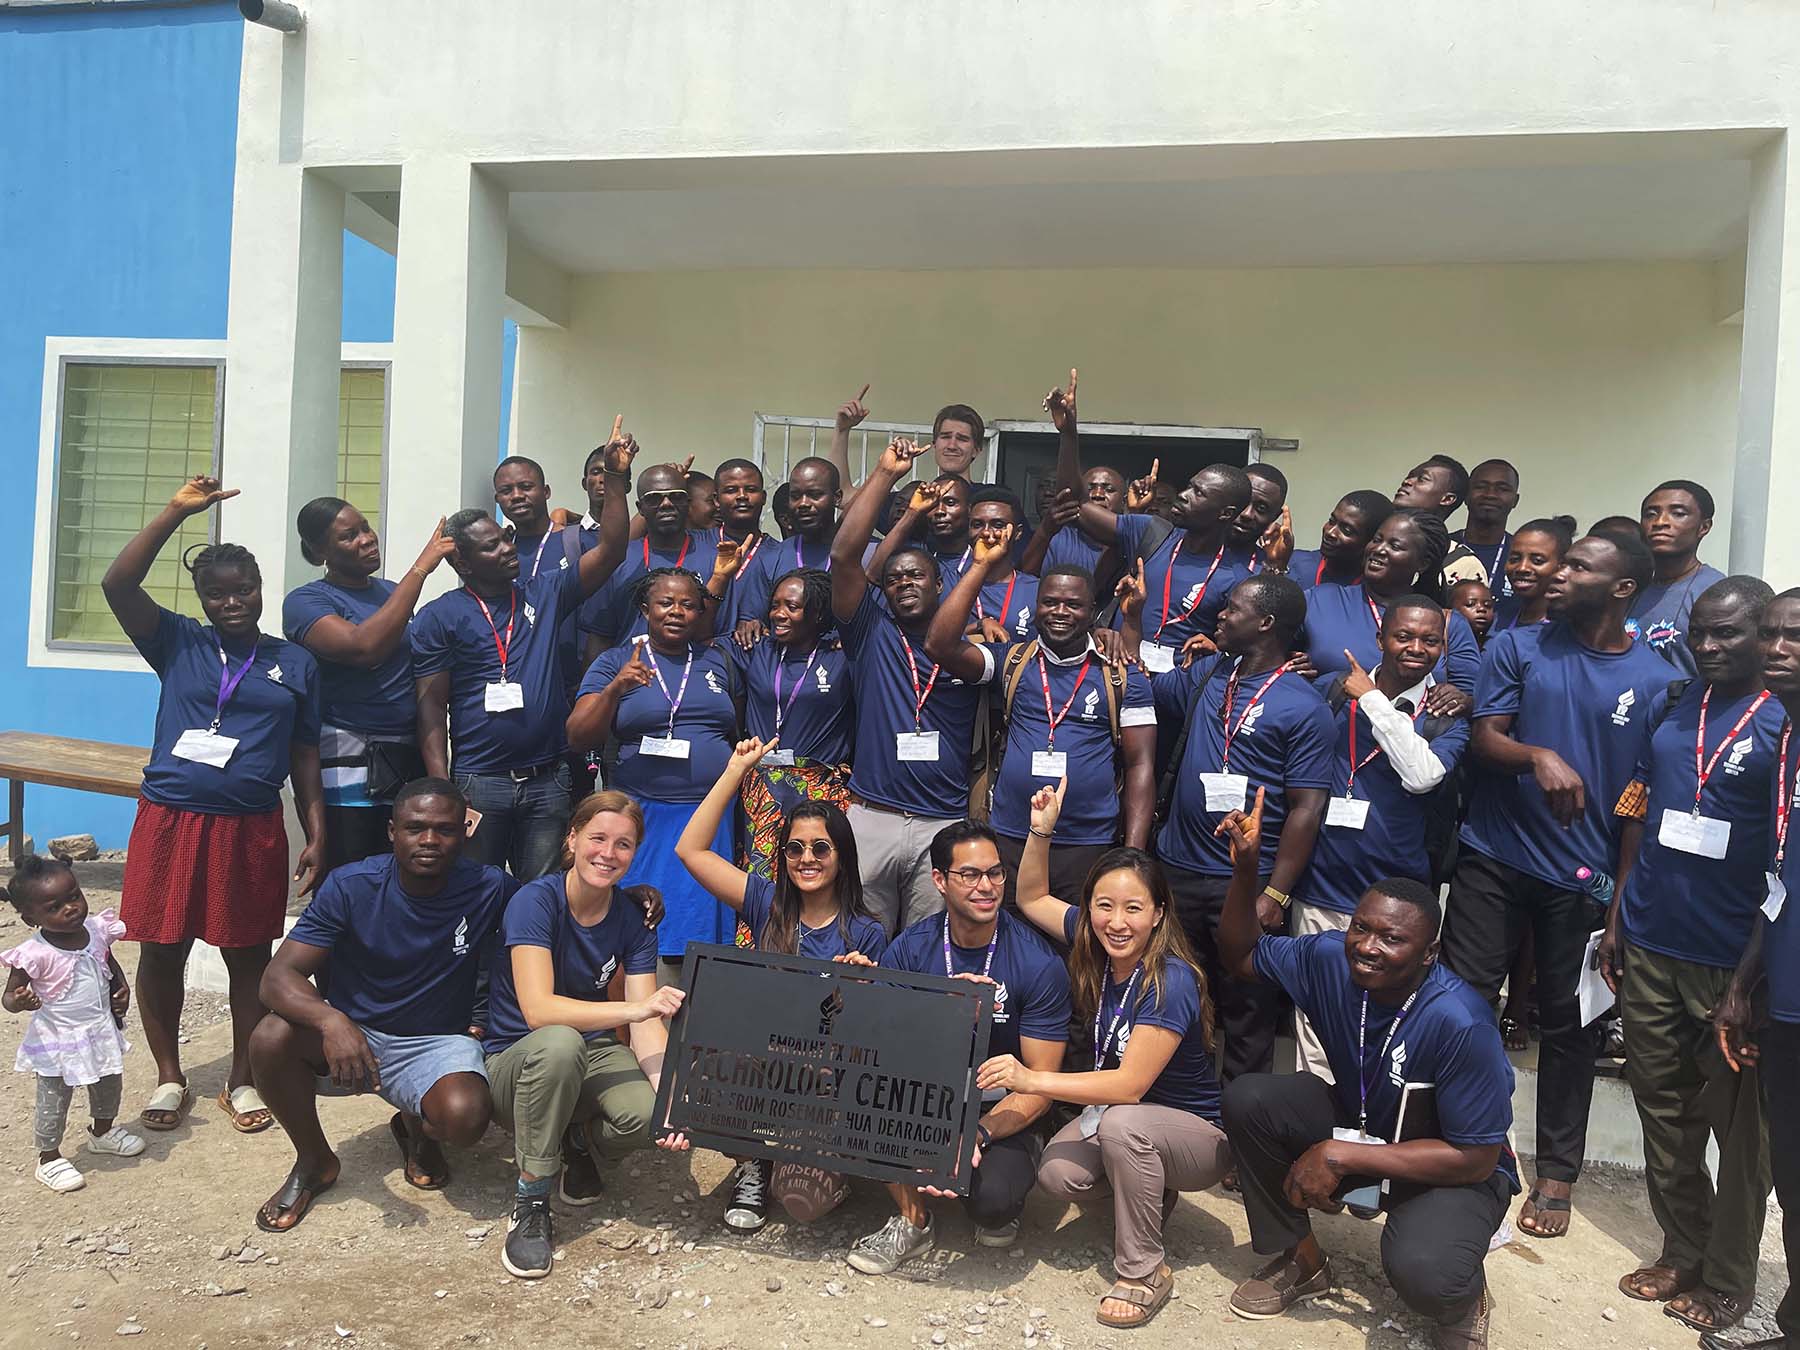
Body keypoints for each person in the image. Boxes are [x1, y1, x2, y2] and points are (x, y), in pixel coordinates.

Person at [1214, 789, 1516, 1349]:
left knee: (1423, 1270)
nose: (1368, 948)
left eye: (1392, 939)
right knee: (1250, 1099)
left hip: (1446, 1164)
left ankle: (1463, 1300)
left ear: (1430, 953)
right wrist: (1247, 873)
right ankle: (1301, 1261)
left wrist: (1339, 1154)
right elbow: (1242, 955)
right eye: (1361, 928)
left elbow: (1476, 1157)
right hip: (1363, 1121)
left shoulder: (1461, 1022)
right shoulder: (1330, 958)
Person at [1441, 530, 1671, 1240]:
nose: (1560, 575)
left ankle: (1557, 1174)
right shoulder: (1519, 645)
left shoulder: (1660, 678)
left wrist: (1621, 904)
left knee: (1572, 1027)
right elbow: (1486, 738)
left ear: (1623, 587)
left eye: (1579, 566)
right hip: (1493, 856)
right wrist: (1538, 754)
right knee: (1463, 1003)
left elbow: (1641, 801)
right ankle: (1465, 1142)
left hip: (1586, 880)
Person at [101, 475, 326, 1135]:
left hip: (250, 828)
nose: (232, 601)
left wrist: (318, 830)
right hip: (169, 821)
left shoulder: (295, 663)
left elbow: (305, 756)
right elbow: (118, 584)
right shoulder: (176, 642)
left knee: (248, 955)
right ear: (201, 599)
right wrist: (175, 511)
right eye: (218, 592)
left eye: (244, 590)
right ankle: (170, 1076)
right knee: (162, 949)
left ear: (261, 591)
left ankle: (241, 1080)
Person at [1594, 577, 1780, 1334]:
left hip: (1734, 962)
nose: (1708, 646)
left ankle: (1731, 1276)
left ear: (1765, 635)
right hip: (1650, 941)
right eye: (1700, 632)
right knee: (1662, 1109)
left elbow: (1784, 869)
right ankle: (1683, 1247)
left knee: (1741, 1133)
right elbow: (1638, 817)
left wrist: (1748, 980)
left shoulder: (1783, 725)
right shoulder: (1676, 706)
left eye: (1728, 634)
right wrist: (1615, 920)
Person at [994, 782, 1228, 1329]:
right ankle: (1146, 1189)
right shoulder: (1095, 945)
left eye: (1132, 908)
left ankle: (1144, 1270)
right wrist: (1041, 828)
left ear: (1158, 913)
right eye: (1104, 906)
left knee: (1123, 1123)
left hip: (1197, 1137)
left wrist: (1032, 1080)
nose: (1116, 921)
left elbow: (1126, 1088)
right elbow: (1029, 897)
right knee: (1057, 1175)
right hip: (1129, 1121)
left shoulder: (1170, 979)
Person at [247, 778, 513, 1233]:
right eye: (416, 828)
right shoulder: (352, 886)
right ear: (392, 831)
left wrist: (626, 901)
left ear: (464, 832)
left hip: (437, 1042)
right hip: (355, 1035)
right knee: (270, 1036)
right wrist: (331, 1021)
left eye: (445, 830)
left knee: (465, 1120)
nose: (429, 840)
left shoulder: (489, 886)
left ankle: (417, 1129)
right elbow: (277, 978)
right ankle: (314, 1162)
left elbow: (559, 908)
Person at [1124, 572, 1334, 1081]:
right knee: (1172, 997)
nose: (1220, 615)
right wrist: (1130, 620)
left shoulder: (1303, 706)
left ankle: (1239, 1134)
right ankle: (1178, 1108)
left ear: (1265, 623)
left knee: (1246, 1011)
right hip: (1176, 871)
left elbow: (1307, 810)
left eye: (1231, 608)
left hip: (1243, 885)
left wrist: (1277, 895)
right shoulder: (1209, 676)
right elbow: (1137, 682)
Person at [675, 738, 886, 1230]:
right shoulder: (766, 903)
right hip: (767, 1064)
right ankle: (750, 1161)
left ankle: (822, 1160)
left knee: (800, 1200)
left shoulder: (868, 930)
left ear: (841, 855)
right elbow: (691, 850)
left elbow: (876, 1031)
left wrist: (862, 987)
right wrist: (735, 770)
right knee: (709, 1070)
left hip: (826, 1081)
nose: (806, 858)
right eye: (794, 847)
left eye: (820, 847)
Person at [843, 820, 1072, 1272]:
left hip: (999, 1107)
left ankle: (991, 1179)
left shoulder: (1038, 962)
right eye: (970, 875)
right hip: (927, 1095)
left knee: (992, 1204)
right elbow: (881, 1050)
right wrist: (875, 997)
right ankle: (914, 1222)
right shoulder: (911, 947)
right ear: (940, 881)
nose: (987, 886)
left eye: (995, 873)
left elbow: (1042, 1085)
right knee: (857, 1097)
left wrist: (978, 1132)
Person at [412, 431, 634, 879]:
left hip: (547, 781)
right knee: (475, 897)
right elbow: (432, 709)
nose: (507, 548)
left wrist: (614, 475)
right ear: (465, 564)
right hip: (478, 783)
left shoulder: (546, 591)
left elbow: (611, 549)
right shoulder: (441, 616)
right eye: (492, 546)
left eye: (505, 539)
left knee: (543, 898)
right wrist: (443, 788)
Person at [480, 790, 676, 1279]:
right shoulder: (535, 901)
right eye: (598, 838)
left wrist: (675, 1101)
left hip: (590, 1053)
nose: (608, 853)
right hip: (518, 1062)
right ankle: (531, 1199)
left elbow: (648, 1024)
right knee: (561, 1041)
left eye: (624, 844)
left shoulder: (636, 918)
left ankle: (578, 1140)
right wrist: (632, 1009)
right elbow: (539, 1010)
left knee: (646, 1114)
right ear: (571, 839)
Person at [924, 532, 1156, 903]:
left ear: (1093, 610)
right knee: (1008, 940)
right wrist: (981, 567)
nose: (1059, 611)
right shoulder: (1012, 661)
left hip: (1086, 842)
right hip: (1011, 835)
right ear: (1035, 607)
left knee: (1075, 947)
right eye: (1049, 602)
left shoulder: (1121, 675)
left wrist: (1133, 856)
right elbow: (939, 645)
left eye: (1072, 604)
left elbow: (1140, 765)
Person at [1291, 600, 1470, 1078]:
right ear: (1380, 639)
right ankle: (1322, 1137)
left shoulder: (1445, 716)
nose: (1416, 649)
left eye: (1430, 641)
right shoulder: (1330, 691)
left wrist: (1371, 699)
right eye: (1404, 637)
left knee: (1385, 1031)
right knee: (1316, 1031)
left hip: (1397, 907)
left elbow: (1422, 775)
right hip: (1322, 889)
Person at [830, 438, 992, 933]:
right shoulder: (870, 628)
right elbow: (843, 556)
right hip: (872, 816)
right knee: (859, 948)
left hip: (941, 823)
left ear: (941, 584)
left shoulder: (968, 648)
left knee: (929, 953)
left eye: (916, 576)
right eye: (894, 578)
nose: (903, 583)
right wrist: (885, 475)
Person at [570, 567, 743, 964]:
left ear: (701, 613)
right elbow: (578, 736)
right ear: (645, 609)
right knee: (640, 920)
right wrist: (616, 689)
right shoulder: (616, 660)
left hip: (708, 815)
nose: (676, 611)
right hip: (642, 816)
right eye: (666, 603)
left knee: (704, 927)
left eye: (687, 604)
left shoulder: (718, 661)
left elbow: (737, 725)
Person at [1716, 586, 1800, 1350]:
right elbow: (1782, 881)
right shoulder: (1791, 740)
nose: (1779, 649)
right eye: (1771, 635)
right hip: (1785, 1000)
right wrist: (1746, 984)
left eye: (1794, 638)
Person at [285, 498, 456, 870]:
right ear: (320, 552)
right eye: (349, 536)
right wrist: (422, 568)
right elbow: (365, 648)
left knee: (403, 879)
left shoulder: (390, 591)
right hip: (347, 769)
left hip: (403, 763)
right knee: (351, 881)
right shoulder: (307, 601)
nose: (366, 539)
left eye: (365, 527)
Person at [3, 856, 143, 1193]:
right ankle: (48, 1158)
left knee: (109, 1084)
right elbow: (8, 998)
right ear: (30, 918)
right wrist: (19, 1001)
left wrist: (119, 988)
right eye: (54, 907)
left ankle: (102, 1132)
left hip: (99, 1030)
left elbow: (106, 963)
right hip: (59, 1041)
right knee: (54, 1099)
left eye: (75, 896)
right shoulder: (34, 953)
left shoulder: (95, 931)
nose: (71, 909)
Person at [1076, 456, 1254, 675]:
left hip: (1178, 686)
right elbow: (1076, 504)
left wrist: (1216, 653)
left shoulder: (1237, 578)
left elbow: (1244, 650)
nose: (1183, 495)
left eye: (1198, 493)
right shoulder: (1153, 533)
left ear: (1225, 513)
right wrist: (1068, 434)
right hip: (1116, 672)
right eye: (1190, 486)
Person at [729, 569, 853, 880]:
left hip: (822, 787)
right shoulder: (758, 649)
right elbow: (702, 636)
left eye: (792, 607)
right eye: (775, 605)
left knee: (818, 876)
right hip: (763, 788)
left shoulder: (842, 656)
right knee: (760, 881)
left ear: (817, 613)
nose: (779, 614)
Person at [1294, 508, 1482, 697]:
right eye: (1377, 540)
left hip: (1413, 725)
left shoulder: (1449, 624)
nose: (1378, 549)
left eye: (1395, 546)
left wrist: (1457, 699)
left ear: (1423, 563)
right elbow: (1270, 660)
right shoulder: (1319, 601)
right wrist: (1291, 665)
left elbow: (1473, 698)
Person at [579, 460, 722, 655]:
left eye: (676, 497)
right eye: (654, 499)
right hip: (630, 678)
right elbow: (600, 636)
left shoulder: (715, 557)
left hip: (693, 675)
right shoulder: (618, 560)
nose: (666, 504)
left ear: (687, 503)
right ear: (641, 507)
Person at [733, 456, 842, 643]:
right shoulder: (771, 558)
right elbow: (750, 622)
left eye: (815, 495)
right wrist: (753, 626)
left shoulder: (860, 555)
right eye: (796, 496)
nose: (804, 504)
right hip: (783, 665)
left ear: (837, 498)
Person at [1629, 480, 1726, 677]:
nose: (1660, 522)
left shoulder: (1716, 592)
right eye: (1651, 514)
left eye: (1678, 513)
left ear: (1703, 527)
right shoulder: (1629, 587)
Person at [1393, 455, 1486, 586]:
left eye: (1422, 479)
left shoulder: (1464, 564)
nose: (1407, 481)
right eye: (1410, 476)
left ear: (1447, 499)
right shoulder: (1374, 544)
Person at [1282, 490, 1394, 592]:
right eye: (1331, 521)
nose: (1330, 532)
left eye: (1347, 530)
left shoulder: (1374, 592)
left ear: (1371, 541)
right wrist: (1276, 565)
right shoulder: (1292, 563)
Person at [708, 458, 772, 630]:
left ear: (764, 497)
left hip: (758, 652)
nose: (742, 496)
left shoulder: (780, 553)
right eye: (731, 490)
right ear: (716, 499)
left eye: (751, 489)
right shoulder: (695, 545)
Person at [1490, 516, 1575, 636]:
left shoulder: (1569, 630)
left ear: (1562, 566)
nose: (1522, 568)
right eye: (1514, 559)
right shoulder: (1498, 618)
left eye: (1537, 561)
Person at [1450, 460, 1521, 599]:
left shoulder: (1522, 557)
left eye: (1502, 489)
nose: (1490, 494)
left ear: (1515, 500)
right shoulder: (1443, 547)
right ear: (1466, 496)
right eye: (1481, 487)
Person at [1448, 579, 1494, 648]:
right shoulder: (1444, 646)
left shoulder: (1495, 646)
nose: (1481, 609)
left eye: (1487, 605)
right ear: (1451, 608)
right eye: (1471, 604)